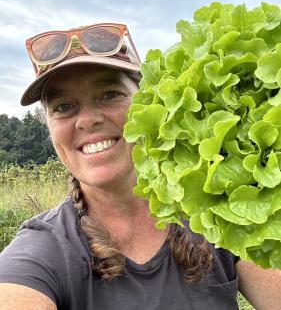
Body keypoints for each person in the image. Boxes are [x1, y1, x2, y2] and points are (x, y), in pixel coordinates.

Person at [0, 23, 281, 310]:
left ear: (149, 102)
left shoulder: (216, 212)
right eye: (63, 106)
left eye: (109, 94)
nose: (87, 120)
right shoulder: (42, 250)